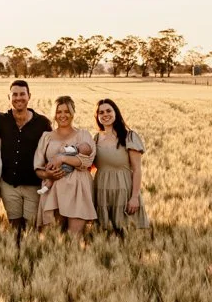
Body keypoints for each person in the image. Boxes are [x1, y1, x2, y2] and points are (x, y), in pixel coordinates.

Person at [0, 80, 53, 235]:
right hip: (8, 184)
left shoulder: (42, 123)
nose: (18, 98)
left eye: (22, 94)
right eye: (15, 94)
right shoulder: (1, 120)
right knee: (14, 227)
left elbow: (51, 149)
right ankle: (16, 256)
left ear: (29, 96)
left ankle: (30, 255)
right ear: (9, 97)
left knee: (31, 228)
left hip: (33, 185)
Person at [33, 95, 96, 237]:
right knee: (52, 239)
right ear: (54, 115)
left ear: (73, 112)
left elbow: (87, 161)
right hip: (53, 191)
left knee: (75, 239)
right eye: (58, 111)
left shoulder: (83, 135)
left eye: (66, 111)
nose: (62, 115)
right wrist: (48, 175)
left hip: (78, 190)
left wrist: (62, 158)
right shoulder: (46, 137)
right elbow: (37, 167)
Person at [91, 97, 151, 238]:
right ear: (97, 117)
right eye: (101, 112)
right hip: (102, 190)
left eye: (108, 111)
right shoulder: (96, 138)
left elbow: (137, 169)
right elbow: (90, 166)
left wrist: (134, 197)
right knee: (104, 234)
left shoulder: (129, 136)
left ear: (116, 113)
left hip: (123, 190)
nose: (105, 115)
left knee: (126, 233)